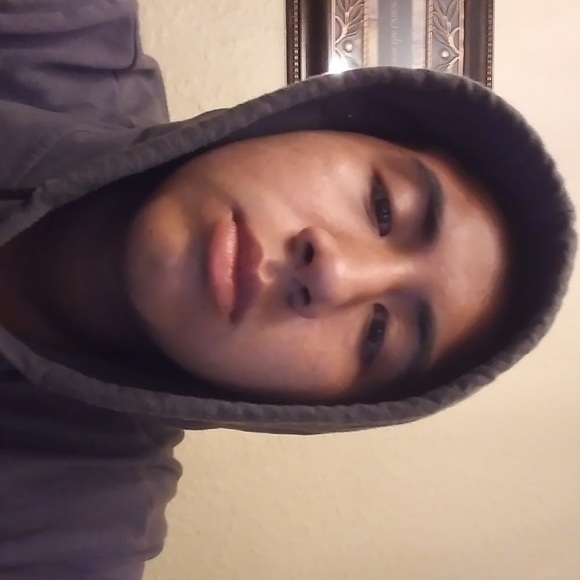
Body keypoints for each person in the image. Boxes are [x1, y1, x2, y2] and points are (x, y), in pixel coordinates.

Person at [0, 1, 575, 579]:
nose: (333, 274)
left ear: (311, 409)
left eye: (377, 335)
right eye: (383, 207)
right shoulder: (63, 29)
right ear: (319, 121)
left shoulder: (72, 539)